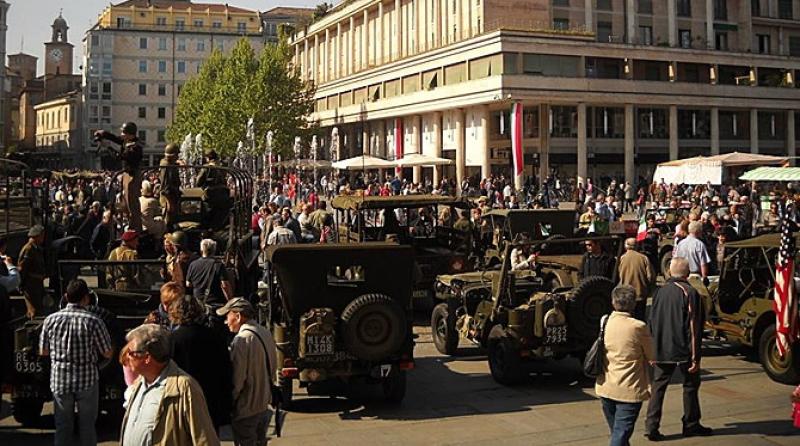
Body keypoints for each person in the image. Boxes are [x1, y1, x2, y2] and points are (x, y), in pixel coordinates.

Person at [39, 279, 113, 446]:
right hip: (87, 380)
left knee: (63, 426)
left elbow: (43, 351)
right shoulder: (94, 321)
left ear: (66, 297)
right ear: (86, 298)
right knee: (87, 426)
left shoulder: (50, 320)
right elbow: (108, 352)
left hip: (60, 379)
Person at [645, 257, 712, 440]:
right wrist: (695, 357)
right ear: (687, 273)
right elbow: (694, 328)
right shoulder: (690, 293)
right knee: (690, 386)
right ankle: (691, 424)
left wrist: (652, 349)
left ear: (669, 272)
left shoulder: (659, 292)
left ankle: (651, 426)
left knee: (658, 387)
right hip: (682, 349)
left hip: (661, 348)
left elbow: (651, 321)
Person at [119, 324, 220, 446]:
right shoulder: (139, 384)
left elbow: (204, 439)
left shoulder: (184, 388)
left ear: (147, 357)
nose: (127, 356)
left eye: (131, 352)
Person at [596, 285, 655, 446]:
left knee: (618, 433)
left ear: (613, 302)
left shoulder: (605, 321)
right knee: (620, 436)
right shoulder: (638, 327)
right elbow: (652, 355)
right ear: (633, 304)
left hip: (606, 386)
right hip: (629, 390)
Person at [217, 298, 278, 446]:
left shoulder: (241, 340)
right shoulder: (265, 332)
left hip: (247, 408)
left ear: (238, 316)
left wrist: (230, 402)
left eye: (228, 316)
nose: (226, 321)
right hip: (263, 403)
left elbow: (238, 380)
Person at [169, 295, 233, 432]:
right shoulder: (215, 336)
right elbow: (226, 371)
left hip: (182, 401)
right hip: (210, 402)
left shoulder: (172, 340)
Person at [94, 122, 143, 231]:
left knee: (132, 204)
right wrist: (104, 133)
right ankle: (130, 224)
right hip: (126, 174)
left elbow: (120, 157)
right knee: (126, 202)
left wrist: (108, 147)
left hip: (132, 176)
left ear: (130, 134)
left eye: (123, 132)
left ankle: (136, 229)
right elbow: (116, 139)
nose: (121, 134)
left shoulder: (136, 147)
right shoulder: (128, 141)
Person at [185, 238, 233, 306]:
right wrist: (230, 301)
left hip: (198, 304)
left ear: (201, 250)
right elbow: (225, 285)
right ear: (214, 250)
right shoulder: (218, 265)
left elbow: (188, 284)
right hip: (215, 303)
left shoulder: (193, 264)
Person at [617, 238, 655, 321]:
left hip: (626, 294)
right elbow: (650, 277)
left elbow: (618, 275)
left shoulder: (621, 259)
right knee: (639, 320)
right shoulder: (644, 258)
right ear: (637, 246)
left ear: (625, 246)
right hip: (640, 294)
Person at [18, 224, 47, 318]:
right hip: (31, 285)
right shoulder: (29, 249)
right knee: (33, 311)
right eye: (42, 235)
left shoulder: (36, 248)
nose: (43, 237)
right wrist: (21, 284)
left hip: (37, 284)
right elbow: (22, 268)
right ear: (37, 235)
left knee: (38, 309)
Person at [159, 143, 182, 231]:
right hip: (168, 198)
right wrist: (169, 202)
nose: (177, 157)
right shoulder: (166, 166)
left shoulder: (168, 163)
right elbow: (165, 185)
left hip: (171, 196)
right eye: (176, 155)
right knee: (168, 222)